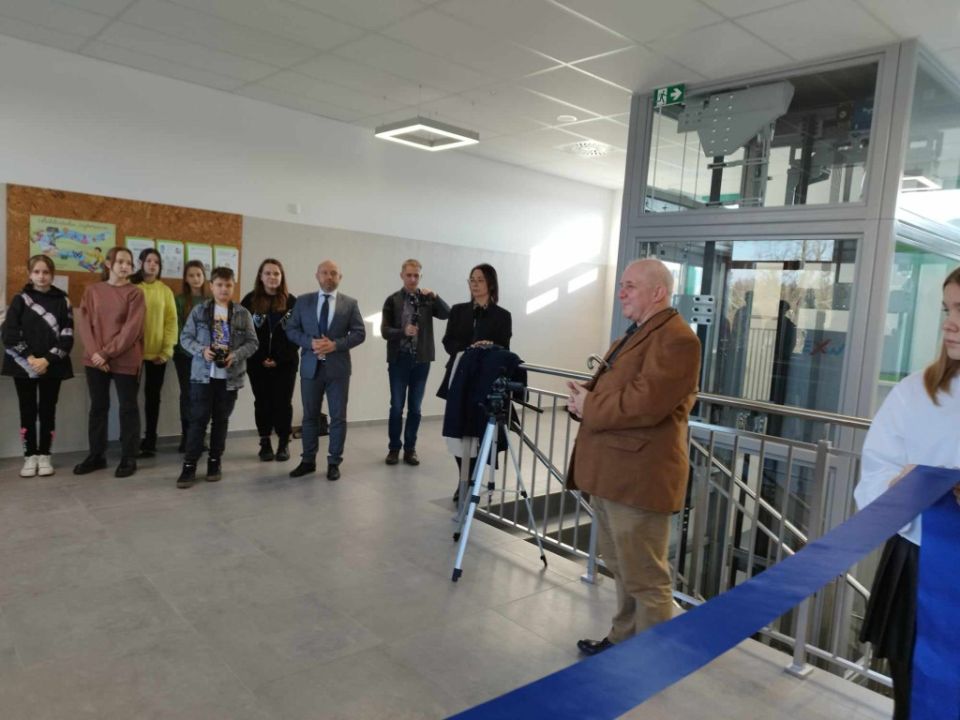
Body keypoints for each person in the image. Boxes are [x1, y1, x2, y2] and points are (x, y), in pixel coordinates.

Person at [566, 258, 701, 656]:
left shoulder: (678, 339)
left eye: (630, 286)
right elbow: (623, 389)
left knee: (646, 577)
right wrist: (584, 400)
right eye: (622, 285)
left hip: (639, 478)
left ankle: (649, 662)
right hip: (614, 474)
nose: (621, 292)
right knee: (623, 567)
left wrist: (591, 405)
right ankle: (623, 639)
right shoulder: (640, 332)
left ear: (657, 292)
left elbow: (646, 403)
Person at [855, 266, 960, 720]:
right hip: (918, 567)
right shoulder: (915, 393)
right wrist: (902, 491)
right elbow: (873, 479)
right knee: (914, 701)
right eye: (947, 309)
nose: (949, 323)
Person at [176, 267, 258, 489]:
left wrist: (236, 355)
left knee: (221, 421)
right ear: (211, 286)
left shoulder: (242, 313)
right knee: (198, 420)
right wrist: (201, 350)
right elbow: (185, 337)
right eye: (219, 285)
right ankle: (189, 465)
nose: (224, 289)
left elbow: (253, 343)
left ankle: (215, 462)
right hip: (202, 377)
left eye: (228, 285)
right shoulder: (199, 311)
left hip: (229, 379)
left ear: (233, 287)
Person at [286, 260, 365, 481]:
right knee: (309, 416)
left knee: (338, 417)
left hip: (338, 370)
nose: (329, 277)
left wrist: (336, 345)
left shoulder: (350, 304)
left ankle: (334, 462)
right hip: (310, 369)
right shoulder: (303, 302)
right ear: (317, 276)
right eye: (324, 273)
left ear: (340, 277)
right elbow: (291, 329)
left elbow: (359, 333)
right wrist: (309, 342)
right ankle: (308, 461)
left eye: (333, 273)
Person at [439, 263, 512, 501]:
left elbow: (504, 347)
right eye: (472, 279)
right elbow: (448, 341)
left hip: (484, 380)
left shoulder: (502, 316)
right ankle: (464, 478)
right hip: (459, 375)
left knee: (479, 431)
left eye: (480, 280)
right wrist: (468, 349)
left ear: (490, 283)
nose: (475, 284)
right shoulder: (458, 311)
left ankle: (472, 479)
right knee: (457, 431)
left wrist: (488, 347)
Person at [74, 246, 146, 478]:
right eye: (121, 261)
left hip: (125, 358)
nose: (125, 266)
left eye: (129, 263)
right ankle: (96, 455)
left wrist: (106, 354)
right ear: (108, 264)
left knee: (128, 408)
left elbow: (131, 330)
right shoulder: (92, 291)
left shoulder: (135, 293)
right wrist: (96, 353)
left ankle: (128, 457)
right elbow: (85, 324)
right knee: (98, 407)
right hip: (95, 359)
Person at [1, 255, 74, 477]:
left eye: (46, 272)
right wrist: (31, 358)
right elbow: (9, 333)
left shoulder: (63, 300)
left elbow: (67, 336)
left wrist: (47, 360)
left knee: (48, 411)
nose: (41, 276)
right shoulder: (20, 299)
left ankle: (45, 455)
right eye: (36, 272)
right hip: (23, 366)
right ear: (29, 274)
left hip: (53, 366)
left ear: (52, 274)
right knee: (28, 411)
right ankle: (29, 456)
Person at [380, 258, 450, 466]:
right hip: (398, 360)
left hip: (421, 360)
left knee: (416, 408)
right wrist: (403, 331)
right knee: (396, 407)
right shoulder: (392, 300)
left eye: (416, 275)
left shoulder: (427, 299)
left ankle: (410, 449)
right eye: (409, 275)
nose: (412, 279)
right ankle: (394, 449)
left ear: (421, 276)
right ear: (402, 275)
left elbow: (447, 314)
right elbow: (384, 331)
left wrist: (435, 296)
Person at [242, 258, 298, 462]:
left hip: (286, 363)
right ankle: (265, 442)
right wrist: (260, 358)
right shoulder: (249, 301)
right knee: (262, 403)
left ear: (282, 277)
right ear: (261, 276)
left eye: (276, 273)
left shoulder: (292, 302)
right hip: (257, 363)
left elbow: (298, 335)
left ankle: (283, 443)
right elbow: (243, 333)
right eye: (268, 273)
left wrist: (279, 359)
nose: (272, 277)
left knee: (283, 403)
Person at [131, 248, 177, 457]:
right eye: (148, 260)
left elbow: (171, 322)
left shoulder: (165, 291)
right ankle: (130, 439)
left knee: (152, 398)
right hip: (132, 354)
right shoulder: (131, 287)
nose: (152, 265)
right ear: (141, 263)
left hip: (157, 355)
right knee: (129, 400)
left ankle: (150, 440)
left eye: (156, 262)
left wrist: (167, 350)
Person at [173, 260, 210, 452]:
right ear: (186, 279)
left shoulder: (211, 300)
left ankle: (200, 437)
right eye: (191, 275)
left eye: (199, 275)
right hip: (185, 356)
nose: (195, 279)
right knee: (188, 395)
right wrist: (193, 350)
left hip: (207, 357)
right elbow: (178, 329)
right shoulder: (179, 300)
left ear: (204, 277)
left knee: (203, 397)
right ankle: (186, 437)